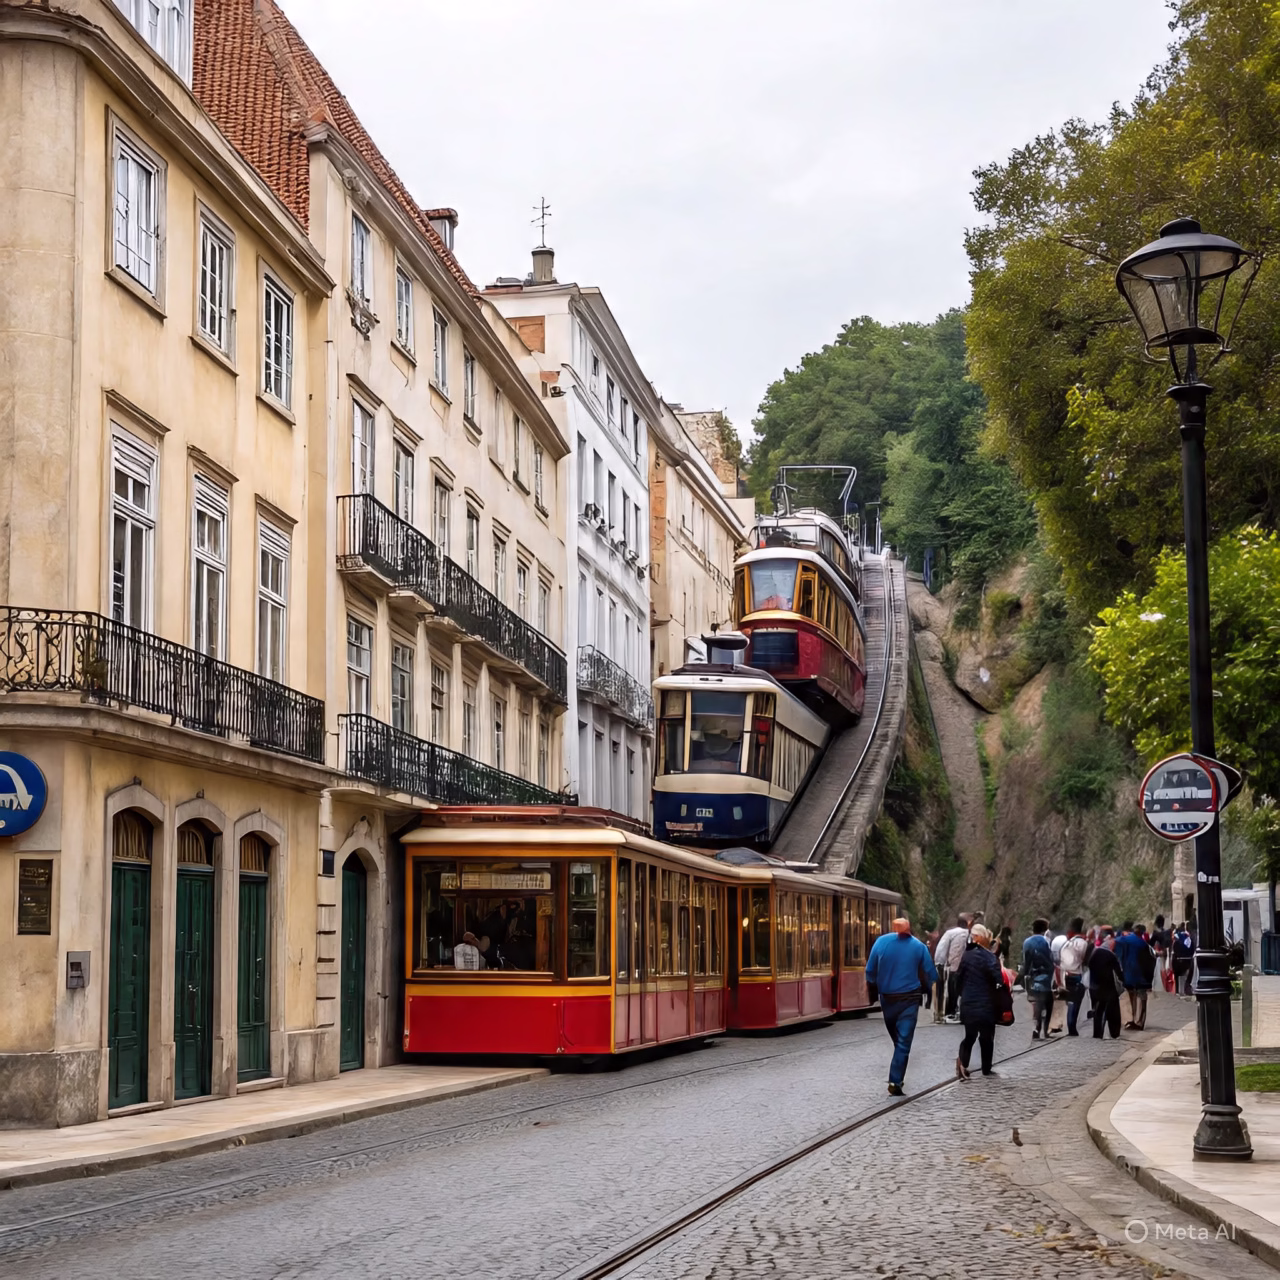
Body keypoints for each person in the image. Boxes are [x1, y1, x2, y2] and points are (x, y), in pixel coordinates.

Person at [866, 916, 939, 1096]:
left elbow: (869, 971)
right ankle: (895, 1081)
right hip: (910, 999)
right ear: (909, 929)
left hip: (887, 999)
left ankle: (896, 1077)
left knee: (897, 1038)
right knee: (903, 1041)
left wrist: (876, 984)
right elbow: (932, 973)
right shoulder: (919, 947)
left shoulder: (881, 942)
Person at [955, 923, 1004, 1079]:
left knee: (969, 1036)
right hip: (986, 1003)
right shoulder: (991, 957)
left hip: (969, 1001)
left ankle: (963, 1063)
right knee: (986, 1036)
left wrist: (961, 995)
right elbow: (999, 980)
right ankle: (986, 1068)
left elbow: (958, 979)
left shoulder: (966, 956)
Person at [1020, 917, 1055, 1039]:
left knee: (1038, 1001)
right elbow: (1052, 958)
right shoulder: (1046, 940)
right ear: (1044, 929)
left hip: (1033, 976)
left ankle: (1036, 1028)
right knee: (1048, 1002)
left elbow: (1026, 961)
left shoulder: (1027, 942)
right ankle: (1044, 1030)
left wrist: (1024, 975)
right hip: (1046, 976)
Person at [1115, 921, 1154, 1029]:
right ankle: (1139, 1022)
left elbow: (1115, 946)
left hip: (1127, 973)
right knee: (1141, 997)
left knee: (1130, 995)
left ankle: (1130, 1020)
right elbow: (1149, 962)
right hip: (1140, 975)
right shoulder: (1142, 943)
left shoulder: (1124, 940)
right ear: (1142, 933)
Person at [934, 914, 971, 1023]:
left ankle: (951, 1012)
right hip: (968, 967)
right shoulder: (971, 934)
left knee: (952, 990)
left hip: (954, 967)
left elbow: (941, 949)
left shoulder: (950, 933)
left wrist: (940, 963)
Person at [1058, 917, 1091, 1036]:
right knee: (1075, 1002)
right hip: (1078, 975)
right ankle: (1072, 1027)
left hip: (1066, 975)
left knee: (1071, 1001)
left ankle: (1070, 1026)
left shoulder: (1067, 944)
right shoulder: (1084, 944)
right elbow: (1086, 961)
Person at [1088, 930, 1124, 1038]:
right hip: (1108, 986)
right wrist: (1123, 981)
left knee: (1098, 1010)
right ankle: (1114, 1033)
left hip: (1094, 986)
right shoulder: (1111, 955)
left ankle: (1097, 1033)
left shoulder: (1094, 953)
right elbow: (1118, 972)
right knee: (1113, 1011)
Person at [1172, 922, 1195, 995]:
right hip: (1188, 960)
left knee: (1176, 975)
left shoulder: (1176, 939)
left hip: (1178, 961)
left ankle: (1177, 990)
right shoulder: (1189, 939)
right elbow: (1192, 950)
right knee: (1189, 973)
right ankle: (1187, 988)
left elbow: (1174, 951)